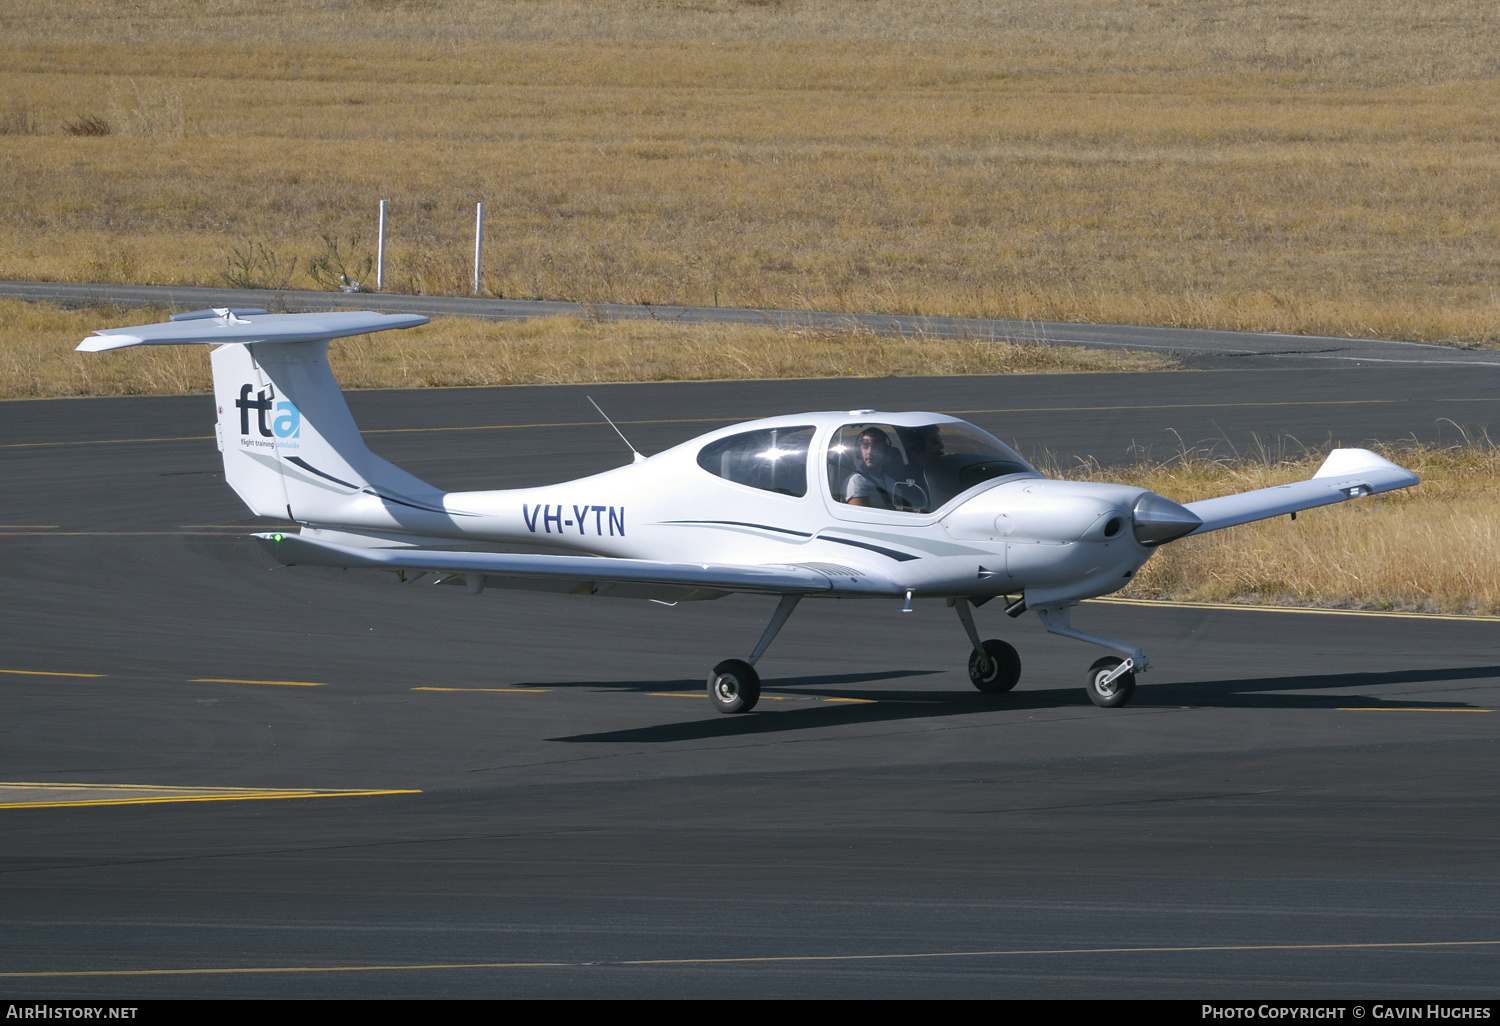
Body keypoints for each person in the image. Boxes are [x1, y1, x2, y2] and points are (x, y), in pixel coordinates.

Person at [844, 427, 898, 508]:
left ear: (885, 451)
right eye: (865, 446)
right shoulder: (856, 481)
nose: (870, 452)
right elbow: (861, 516)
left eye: (876, 446)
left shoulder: (891, 483)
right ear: (859, 451)